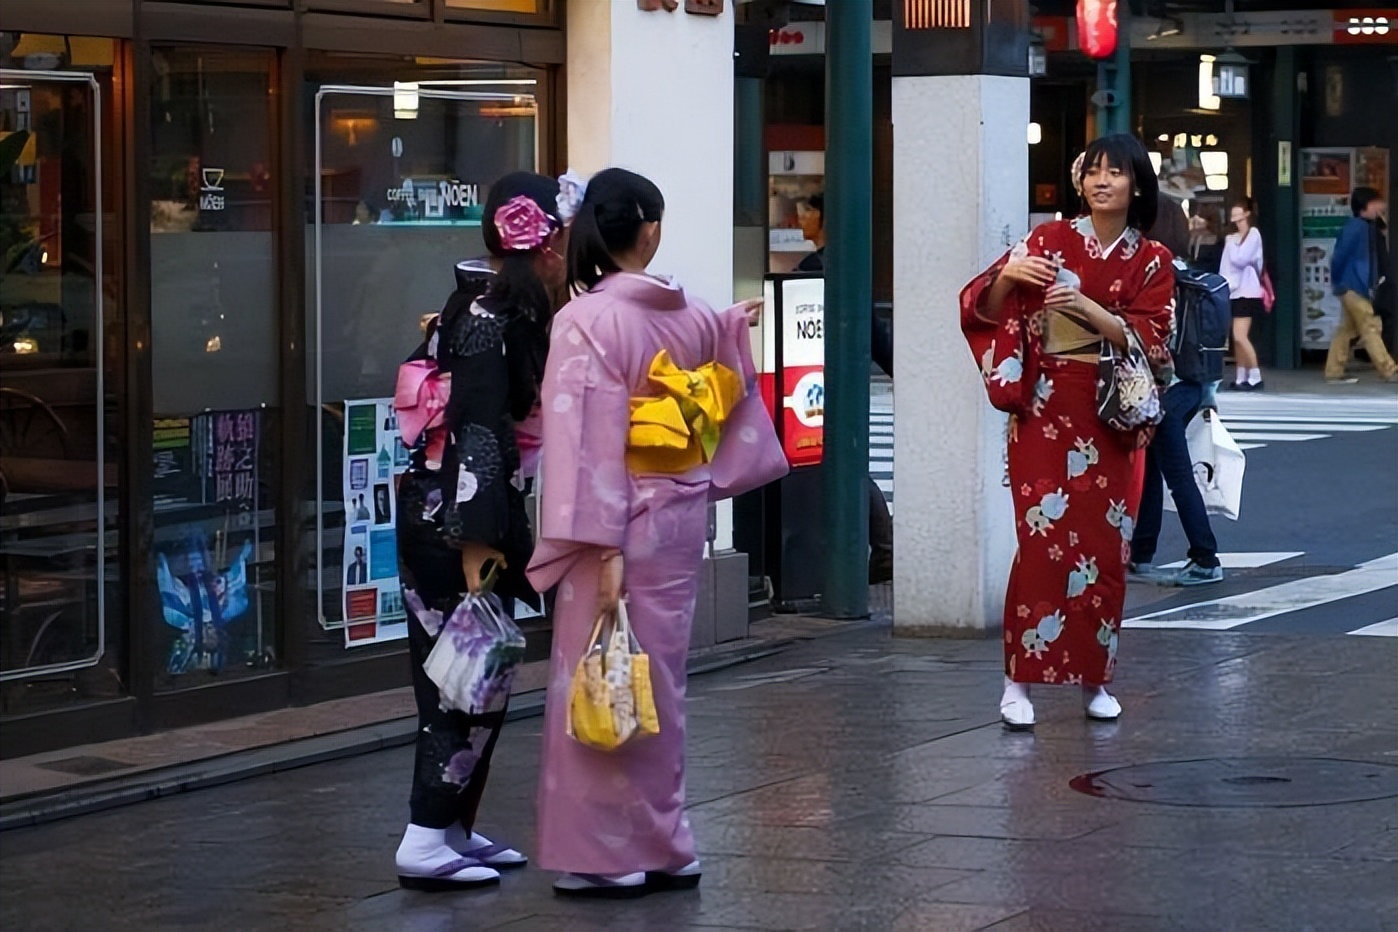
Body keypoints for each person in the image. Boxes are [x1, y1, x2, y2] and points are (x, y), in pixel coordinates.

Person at [527, 168, 784, 897]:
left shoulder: (586, 321)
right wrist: (731, 328)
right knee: (658, 678)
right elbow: (721, 395)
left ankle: (609, 853)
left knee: (603, 673)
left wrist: (602, 550)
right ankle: (669, 841)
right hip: (677, 515)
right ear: (650, 231)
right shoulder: (695, 314)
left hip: (616, 524)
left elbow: (584, 445)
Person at [960, 134, 1175, 730]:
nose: (1103, 182)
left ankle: (1094, 680)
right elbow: (984, 306)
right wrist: (1008, 276)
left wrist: (1085, 307)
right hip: (1045, 408)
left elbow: (1153, 339)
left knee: (1105, 549)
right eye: (1094, 173)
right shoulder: (1050, 240)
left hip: (1107, 412)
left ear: (1137, 185)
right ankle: (1017, 680)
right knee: (1041, 546)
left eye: (1117, 174)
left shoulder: (1152, 258)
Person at [392, 172, 570, 891]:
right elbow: (477, 438)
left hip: (453, 513)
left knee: (477, 675)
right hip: (459, 523)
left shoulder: (489, 307)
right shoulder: (488, 319)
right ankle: (426, 836)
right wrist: (478, 553)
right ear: (548, 242)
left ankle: (454, 827)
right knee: (463, 681)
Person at [794, 193, 894, 583]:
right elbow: (874, 327)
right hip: (836, 378)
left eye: (805, 211)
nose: (799, 219)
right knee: (849, 462)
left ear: (822, 216)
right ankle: (881, 550)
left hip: (817, 379)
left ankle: (877, 550)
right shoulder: (845, 261)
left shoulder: (816, 267)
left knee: (844, 462)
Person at [1130, 192, 1224, 587]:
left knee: (1176, 472)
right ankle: (1141, 552)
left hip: (1169, 383)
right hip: (1194, 381)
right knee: (1152, 465)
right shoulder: (1188, 269)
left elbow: (1158, 337)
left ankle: (1205, 556)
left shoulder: (1160, 272)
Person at [1325, 187, 1398, 384]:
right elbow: (1339, 257)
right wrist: (1340, 280)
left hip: (1351, 286)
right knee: (1370, 327)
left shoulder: (1362, 226)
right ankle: (1389, 370)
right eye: (1376, 203)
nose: (1381, 207)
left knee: (1347, 330)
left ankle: (1333, 371)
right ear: (1366, 206)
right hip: (1355, 286)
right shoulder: (1358, 227)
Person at [1220, 197, 1266, 392]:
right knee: (1235, 336)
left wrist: (1231, 245)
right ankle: (1240, 377)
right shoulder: (1233, 238)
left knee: (1240, 335)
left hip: (1247, 291)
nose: (1236, 217)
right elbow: (1226, 265)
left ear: (1247, 213)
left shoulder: (1253, 234)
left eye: (1239, 212)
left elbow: (1240, 259)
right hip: (1233, 291)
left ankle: (1255, 375)